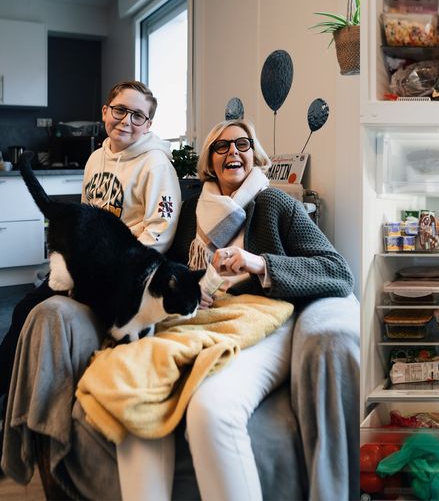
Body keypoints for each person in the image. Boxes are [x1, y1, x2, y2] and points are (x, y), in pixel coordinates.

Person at [114, 117, 355, 501]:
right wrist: (190, 288)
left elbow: (338, 272)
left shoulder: (276, 203)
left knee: (211, 411)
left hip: (263, 324)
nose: (233, 153)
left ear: (254, 154)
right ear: (210, 161)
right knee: (135, 397)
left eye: (242, 144)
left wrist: (260, 264)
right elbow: (165, 271)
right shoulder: (191, 209)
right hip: (200, 323)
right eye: (221, 147)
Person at [0, 80, 181, 439]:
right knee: (25, 311)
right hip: (83, 265)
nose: (126, 120)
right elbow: (87, 213)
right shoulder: (97, 158)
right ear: (105, 112)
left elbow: (160, 231)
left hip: (118, 276)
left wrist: (112, 270)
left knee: (30, 313)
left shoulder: (156, 165)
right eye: (119, 110)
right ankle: (9, 407)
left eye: (138, 115)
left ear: (148, 124)